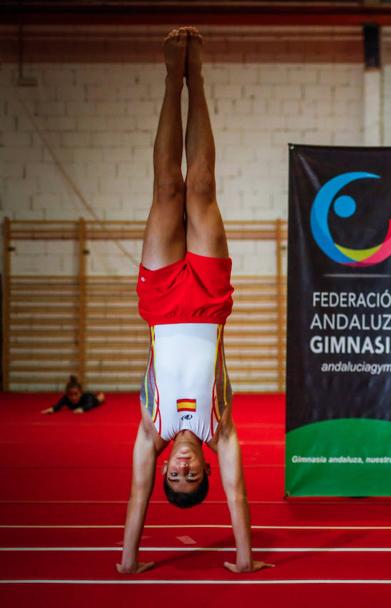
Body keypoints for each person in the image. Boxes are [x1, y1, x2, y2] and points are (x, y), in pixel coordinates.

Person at [117, 27, 270, 575]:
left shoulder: (150, 429)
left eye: (174, 475)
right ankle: (195, 75)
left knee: (165, 188)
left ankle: (169, 77)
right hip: (207, 303)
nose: (182, 467)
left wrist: (130, 560)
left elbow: (137, 500)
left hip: (160, 303)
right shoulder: (220, 427)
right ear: (205, 466)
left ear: (165, 471)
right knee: (200, 187)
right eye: (192, 475)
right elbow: (239, 497)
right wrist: (246, 559)